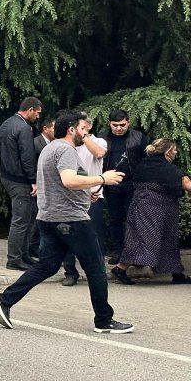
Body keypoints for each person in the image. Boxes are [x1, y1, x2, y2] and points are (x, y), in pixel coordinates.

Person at [0, 110, 133, 334]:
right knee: (96, 269)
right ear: (71, 129)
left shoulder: (50, 148)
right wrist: (102, 179)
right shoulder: (65, 149)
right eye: (83, 129)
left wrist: (87, 192)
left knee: (46, 266)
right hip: (71, 220)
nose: (86, 133)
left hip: (49, 218)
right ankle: (104, 321)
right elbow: (69, 180)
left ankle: (4, 300)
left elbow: (58, 183)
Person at [110, 138, 190, 284]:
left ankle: (177, 274)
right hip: (154, 209)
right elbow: (186, 184)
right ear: (167, 152)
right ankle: (120, 268)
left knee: (153, 239)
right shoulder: (168, 169)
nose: (176, 152)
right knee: (150, 240)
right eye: (174, 150)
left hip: (145, 207)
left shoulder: (143, 164)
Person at [0, 97, 43, 271]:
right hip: (19, 180)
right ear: (30, 110)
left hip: (7, 176)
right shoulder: (24, 128)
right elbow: (27, 157)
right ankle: (14, 259)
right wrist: (33, 181)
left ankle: (23, 255)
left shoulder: (7, 123)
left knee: (29, 215)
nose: (38, 116)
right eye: (37, 112)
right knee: (21, 219)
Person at [66, 122, 108, 285]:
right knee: (68, 233)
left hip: (94, 196)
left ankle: (98, 272)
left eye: (82, 126)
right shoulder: (68, 144)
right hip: (71, 196)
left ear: (89, 126)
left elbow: (99, 153)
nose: (77, 130)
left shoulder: (99, 141)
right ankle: (70, 272)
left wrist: (83, 136)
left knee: (94, 235)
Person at [101, 110, 145, 260]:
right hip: (111, 184)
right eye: (115, 125)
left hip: (133, 184)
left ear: (128, 122)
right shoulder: (102, 138)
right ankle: (119, 252)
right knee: (115, 219)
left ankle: (136, 253)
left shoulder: (138, 137)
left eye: (122, 125)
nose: (119, 128)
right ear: (109, 123)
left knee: (135, 218)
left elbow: (146, 159)